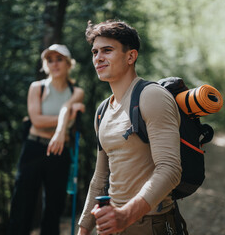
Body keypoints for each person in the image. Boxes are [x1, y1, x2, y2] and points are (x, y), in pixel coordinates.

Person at [77, 20, 182, 235]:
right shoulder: (102, 110)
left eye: (107, 50)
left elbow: (170, 169)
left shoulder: (151, 96)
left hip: (151, 223)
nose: (98, 57)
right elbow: (100, 178)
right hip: (113, 223)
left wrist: (126, 216)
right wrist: (83, 228)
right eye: (94, 52)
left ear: (131, 56)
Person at [8, 44, 85, 235]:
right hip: (34, 148)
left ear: (68, 64)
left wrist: (65, 119)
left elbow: (66, 108)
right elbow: (37, 120)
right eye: (50, 60)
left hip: (60, 153)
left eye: (59, 59)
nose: (54, 64)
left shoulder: (76, 92)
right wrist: (66, 120)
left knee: (54, 207)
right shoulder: (37, 87)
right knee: (22, 204)